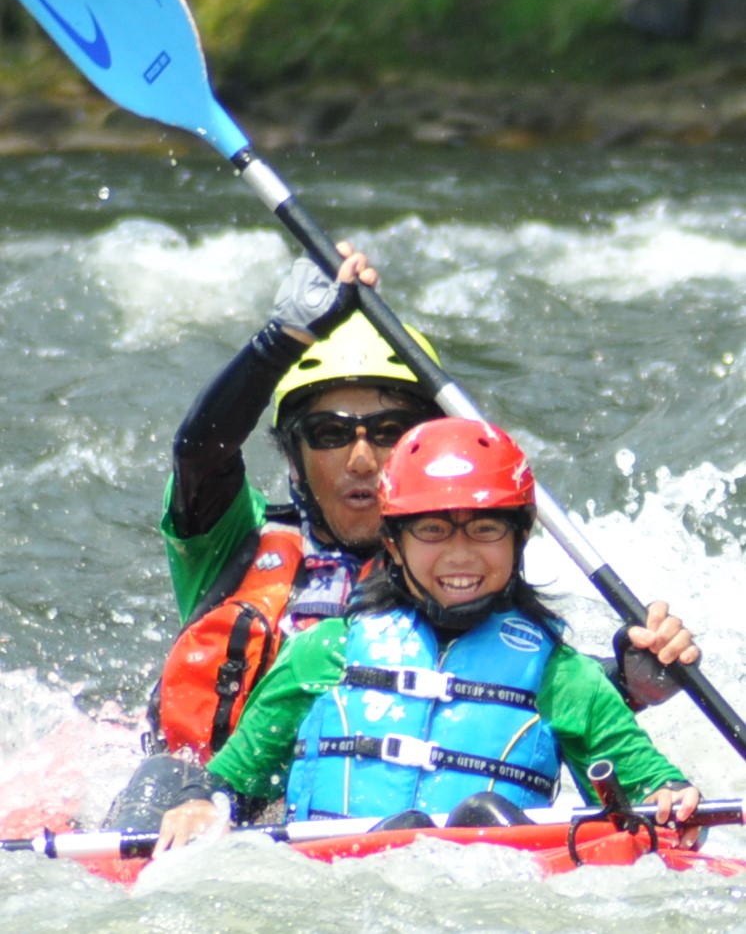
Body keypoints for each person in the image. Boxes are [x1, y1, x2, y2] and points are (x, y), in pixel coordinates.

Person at [104, 247, 699, 832]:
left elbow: (489, 685)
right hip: (214, 808)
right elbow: (199, 453)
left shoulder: (473, 565)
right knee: (160, 776)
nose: (362, 459)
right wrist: (281, 339)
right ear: (293, 454)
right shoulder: (237, 542)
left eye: (389, 431)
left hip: (399, 825)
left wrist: (625, 681)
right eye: (330, 433)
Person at [154, 418, 701, 854]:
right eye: (433, 529)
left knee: (482, 819)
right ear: (392, 543)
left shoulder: (565, 677)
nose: (460, 554)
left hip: (490, 888)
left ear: (521, 536)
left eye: (485, 528)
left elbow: (653, 792)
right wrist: (202, 804)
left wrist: (674, 802)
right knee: (406, 829)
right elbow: (229, 782)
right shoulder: (324, 653)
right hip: (336, 883)